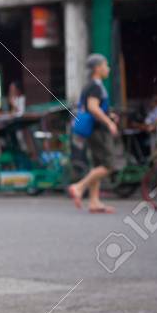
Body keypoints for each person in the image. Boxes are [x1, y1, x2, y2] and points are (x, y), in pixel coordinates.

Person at [67, 54, 118, 213]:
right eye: (106, 65)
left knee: (97, 165)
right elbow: (93, 108)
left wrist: (109, 115)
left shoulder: (91, 85)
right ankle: (79, 187)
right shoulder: (95, 86)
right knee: (108, 165)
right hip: (98, 131)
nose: (108, 68)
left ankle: (94, 202)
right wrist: (109, 122)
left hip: (93, 130)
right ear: (97, 68)